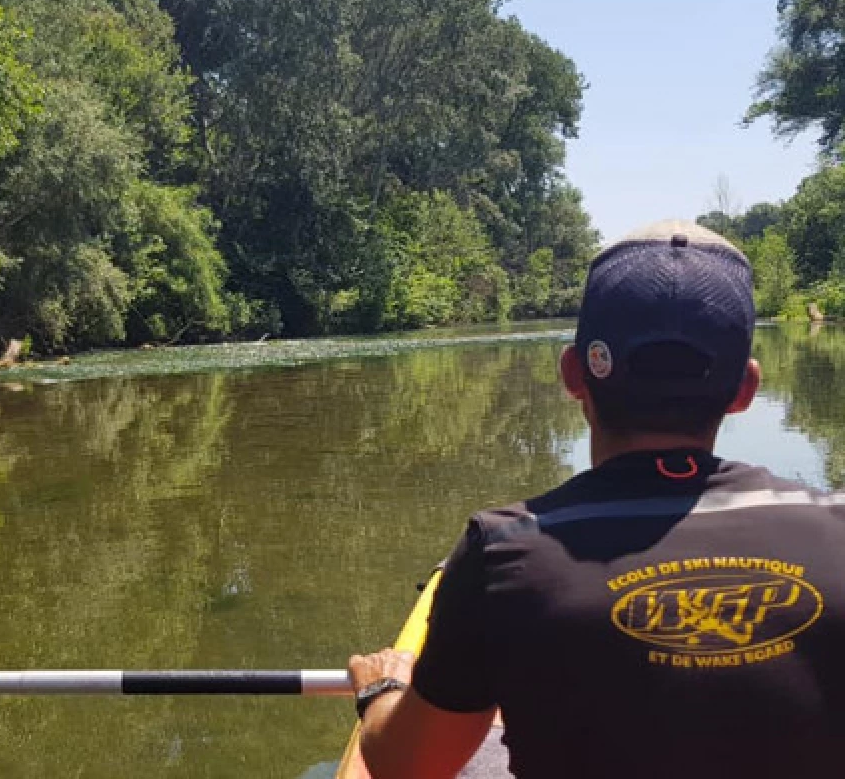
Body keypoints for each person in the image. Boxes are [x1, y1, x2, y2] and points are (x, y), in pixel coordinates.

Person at [347, 220, 845, 779]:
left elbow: (407, 767)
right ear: (745, 390)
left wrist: (382, 690)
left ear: (572, 375)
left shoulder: (504, 552)